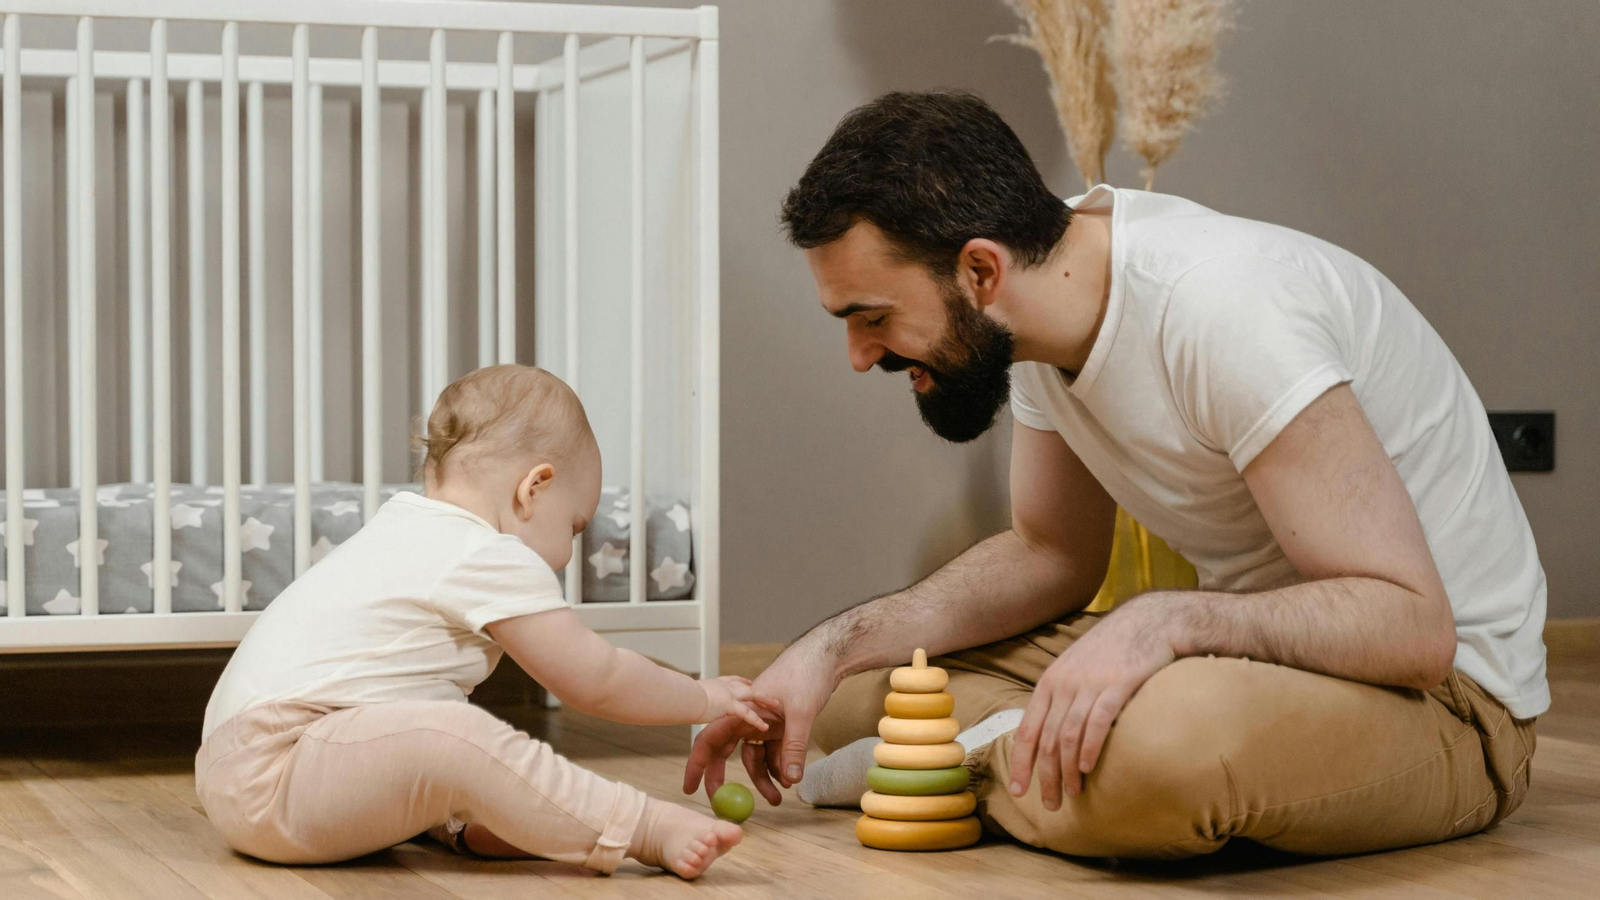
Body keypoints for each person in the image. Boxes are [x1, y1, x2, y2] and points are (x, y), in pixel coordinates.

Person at [684, 91, 1546, 859]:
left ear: (980, 270)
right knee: (859, 697)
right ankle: (1002, 755)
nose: (859, 354)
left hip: (1446, 700)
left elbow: (1412, 627)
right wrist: (822, 650)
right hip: (1265, 655)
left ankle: (966, 765)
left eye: (873, 318)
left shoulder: (1227, 311)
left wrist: (1165, 623)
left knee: (1149, 759)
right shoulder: (1034, 311)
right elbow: (1048, 553)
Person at [198, 365, 768, 878]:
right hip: (281, 769)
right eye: (573, 527)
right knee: (454, 735)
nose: (567, 555)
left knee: (432, 728)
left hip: (243, 777)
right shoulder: (481, 550)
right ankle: (638, 825)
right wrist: (703, 697)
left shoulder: (405, 529)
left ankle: (469, 822)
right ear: (533, 488)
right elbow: (596, 678)